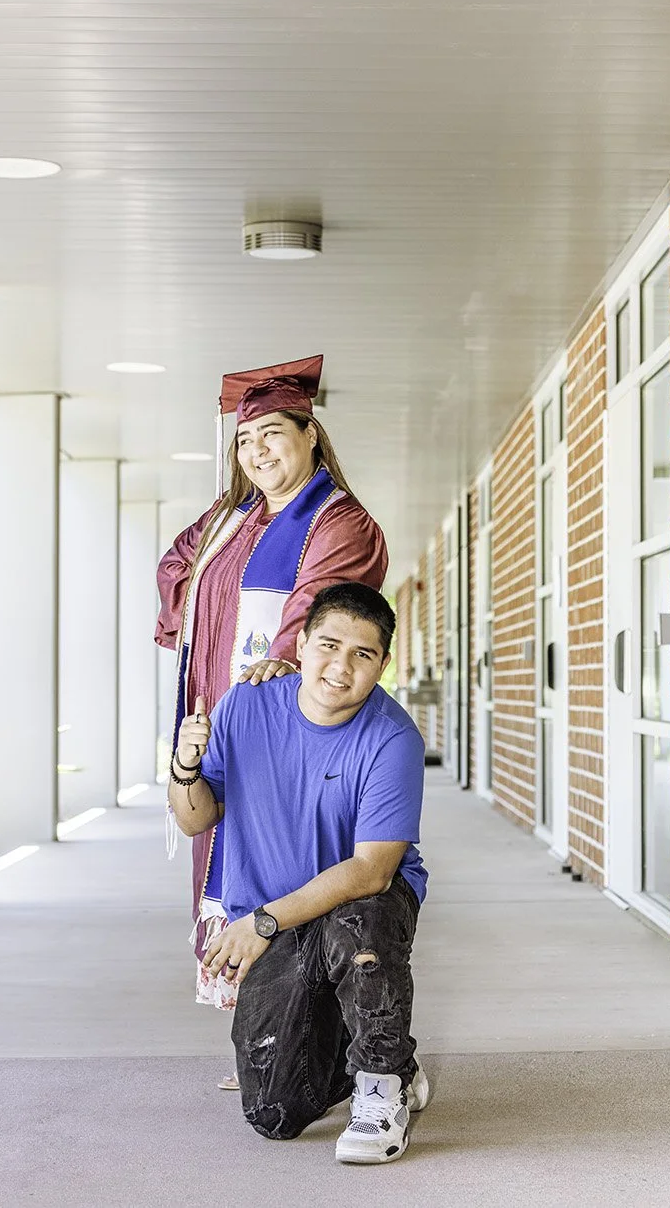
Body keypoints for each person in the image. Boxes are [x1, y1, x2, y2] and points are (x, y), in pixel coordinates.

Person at [154, 356, 388, 1084]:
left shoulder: (336, 518)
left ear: (311, 435)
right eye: (244, 437)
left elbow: (324, 606)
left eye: (272, 432)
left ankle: (322, 1046)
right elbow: (175, 566)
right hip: (225, 725)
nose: (256, 448)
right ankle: (264, 1034)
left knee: (293, 871)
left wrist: (281, 654)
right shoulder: (231, 519)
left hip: (289, 733)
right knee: (230, 868)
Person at [167, 583, 429, 1165]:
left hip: (357, 901)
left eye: (363, 655)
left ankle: (383, 1087)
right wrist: (185, 764)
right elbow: (196, 820)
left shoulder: (393, 739)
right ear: (302, 643)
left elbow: (371, 871)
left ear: (384, 664)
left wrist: (260, 923)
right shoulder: (247, 703)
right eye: (329, 646)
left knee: (360, 929)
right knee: (274, 1112)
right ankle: (382, 1055)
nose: (341, 667)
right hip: (280, 914)